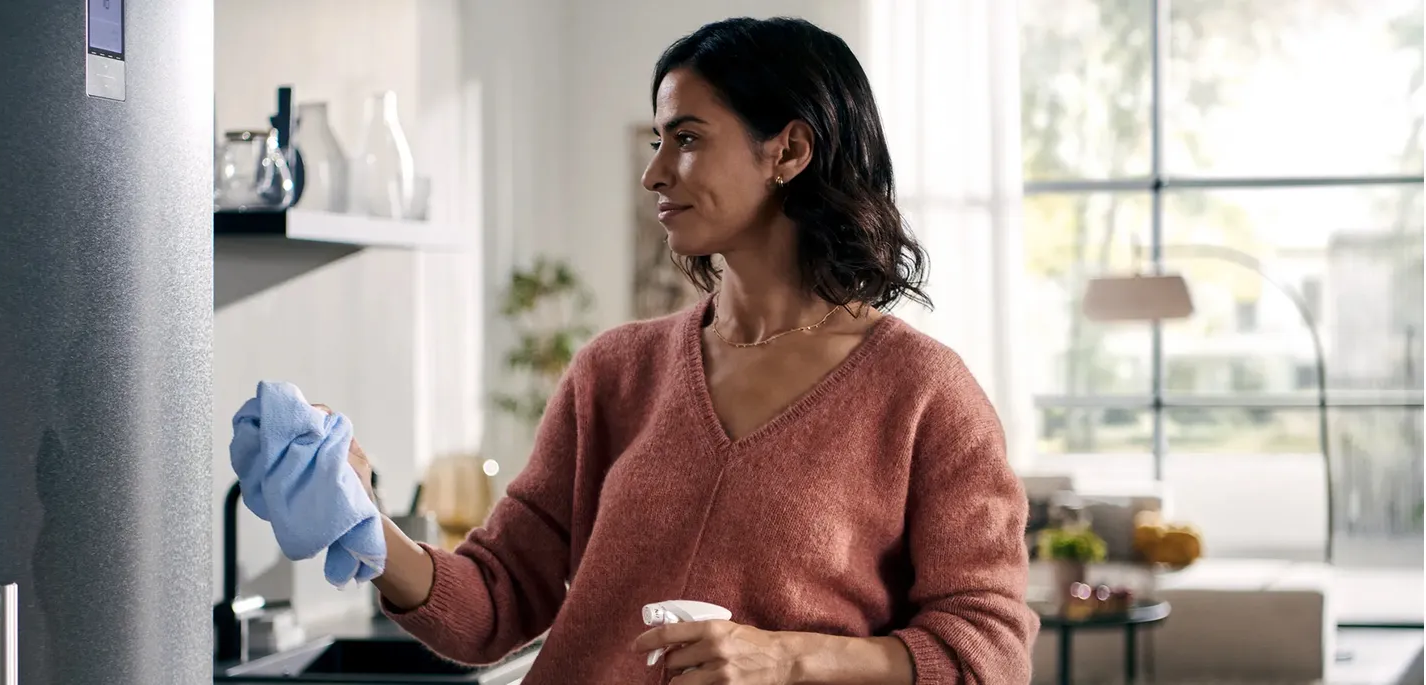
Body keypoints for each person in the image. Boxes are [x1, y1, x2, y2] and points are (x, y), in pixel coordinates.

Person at [332, 17, 1037, 685]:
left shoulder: (925, 394)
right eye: (657, 143)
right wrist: (364, 525)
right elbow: (493, 598)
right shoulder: (615, 371)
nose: (655, 174)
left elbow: (988, 650)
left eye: (688, 139)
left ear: (789, 151)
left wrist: (787, 660)